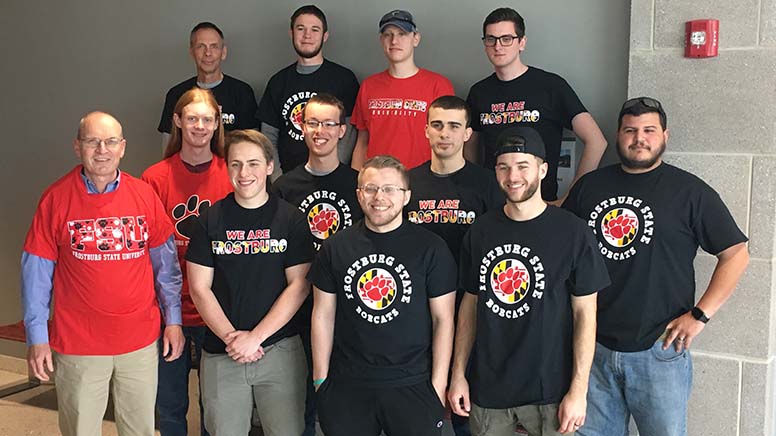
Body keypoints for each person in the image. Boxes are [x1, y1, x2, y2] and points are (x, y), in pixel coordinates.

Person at [562, 97, 749, 436]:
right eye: (630, 130)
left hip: (659, 350)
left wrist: (700, 315)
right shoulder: (589, 188)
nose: (639, 138)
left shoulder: (690, 192)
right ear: (618, 135)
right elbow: (560, 248)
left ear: (665, 135)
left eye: (649, 130)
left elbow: (736, 253)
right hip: (593, 350)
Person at [21, 111, 184, 436]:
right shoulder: (56, 199)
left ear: (122, 147)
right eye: (92, 141)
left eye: (110, 142)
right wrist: (37, 337)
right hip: (79, 343)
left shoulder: (144, 196)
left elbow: (166, 268)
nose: (102, 150)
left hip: (139, 342)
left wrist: (174, 320)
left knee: (140, 429)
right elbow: (35, 274)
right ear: (77, 146)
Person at [448, 126, 610, 436]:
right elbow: (470, 305)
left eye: (523, 166)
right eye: (503, 166)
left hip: (551, 392)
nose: (513, 176)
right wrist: (459, 374)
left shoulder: (573, 233)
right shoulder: (481, 231)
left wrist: (578, 390)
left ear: (543, 169)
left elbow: (585, 314)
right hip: (489, 389)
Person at [309, 155, 457, 436]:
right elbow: (323, 314)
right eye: (371, 188)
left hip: (413, 383)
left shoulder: (431, 248)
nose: (380, 197)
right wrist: (321, 379)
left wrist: (438, 386)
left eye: (390, 189)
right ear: (359, 194)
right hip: (346, 385)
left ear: (406, 196)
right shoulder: (336, 247)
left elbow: (443, 320)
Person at [186, 129, 313, 436]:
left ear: (270, 167)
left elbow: (299, 286)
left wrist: (255, 337)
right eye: (236, 164)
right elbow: (199, 289)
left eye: (254, 163)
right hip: (222, 351)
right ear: (226, 167)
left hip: (279, 350)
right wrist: (234, 338)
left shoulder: (291, 220)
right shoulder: (209, 220)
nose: (244, 173)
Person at [405, 95, 503, 436]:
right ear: (426, 131)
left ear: (467, 134)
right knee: (420, 410)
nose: (444, 133)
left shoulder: (488, 184)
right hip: (415, 314)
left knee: (466, 415)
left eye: (454, 126)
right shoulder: (407, 183)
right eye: (437, 125)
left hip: (471, 310)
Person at [142, 88, 233, 436]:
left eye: (206, 119)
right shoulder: (155, 177)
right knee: (169, 405)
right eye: (191, 118)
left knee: (216, 406)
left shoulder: (231, 173)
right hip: (169, 311)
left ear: (216, 124)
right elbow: (149, 250)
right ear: (178, 121)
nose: (199, 126)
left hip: (218, 308)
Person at [271, 92, 363, 436]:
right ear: (301, 126)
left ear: (342, 130)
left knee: (347, 405)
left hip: (350, 311)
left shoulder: (358, 185)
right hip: (298, 311)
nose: (320, 131)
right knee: (303, 402)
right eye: (312, 123)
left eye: (329, 124)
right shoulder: (284, 188)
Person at [465, 7, 607, 202]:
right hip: (493, 206)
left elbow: (597, 141)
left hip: (541, 206)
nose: (498, 46)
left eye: (507, 39)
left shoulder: (551, 86)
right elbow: (470, 150)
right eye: (491, 39)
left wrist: (570, 198)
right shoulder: (479, 92)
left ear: (522, 42)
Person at [258, 5, 360, 175]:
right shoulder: (278, 82)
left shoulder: (344, 79)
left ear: (325, 36)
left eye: (315, 29)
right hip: (287, 181)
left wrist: (333, 173)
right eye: (301, 28)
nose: (307, 35)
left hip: (332, 180)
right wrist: (277, 179)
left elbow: (348, 133)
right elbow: (268, 136)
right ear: (291, 33)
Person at [350, 10, 454, 170]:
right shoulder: (368, 86)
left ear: (416, 39)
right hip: (379, 182)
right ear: (381, 40)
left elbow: (449, 142)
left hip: (424, 182)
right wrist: (356, 180)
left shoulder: (438, 86)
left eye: (402, 34)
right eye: (388, 34)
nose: (394, 41)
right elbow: (362, 141)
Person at [159, 22, 258, 151]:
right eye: (201, 46)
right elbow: (168, 148)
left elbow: (252, 146)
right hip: (188, 169)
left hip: (230, 169)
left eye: (214, 47)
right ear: (192, 52)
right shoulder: (177, 95)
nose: (208, 53)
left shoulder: (242, 92)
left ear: (223, 52)